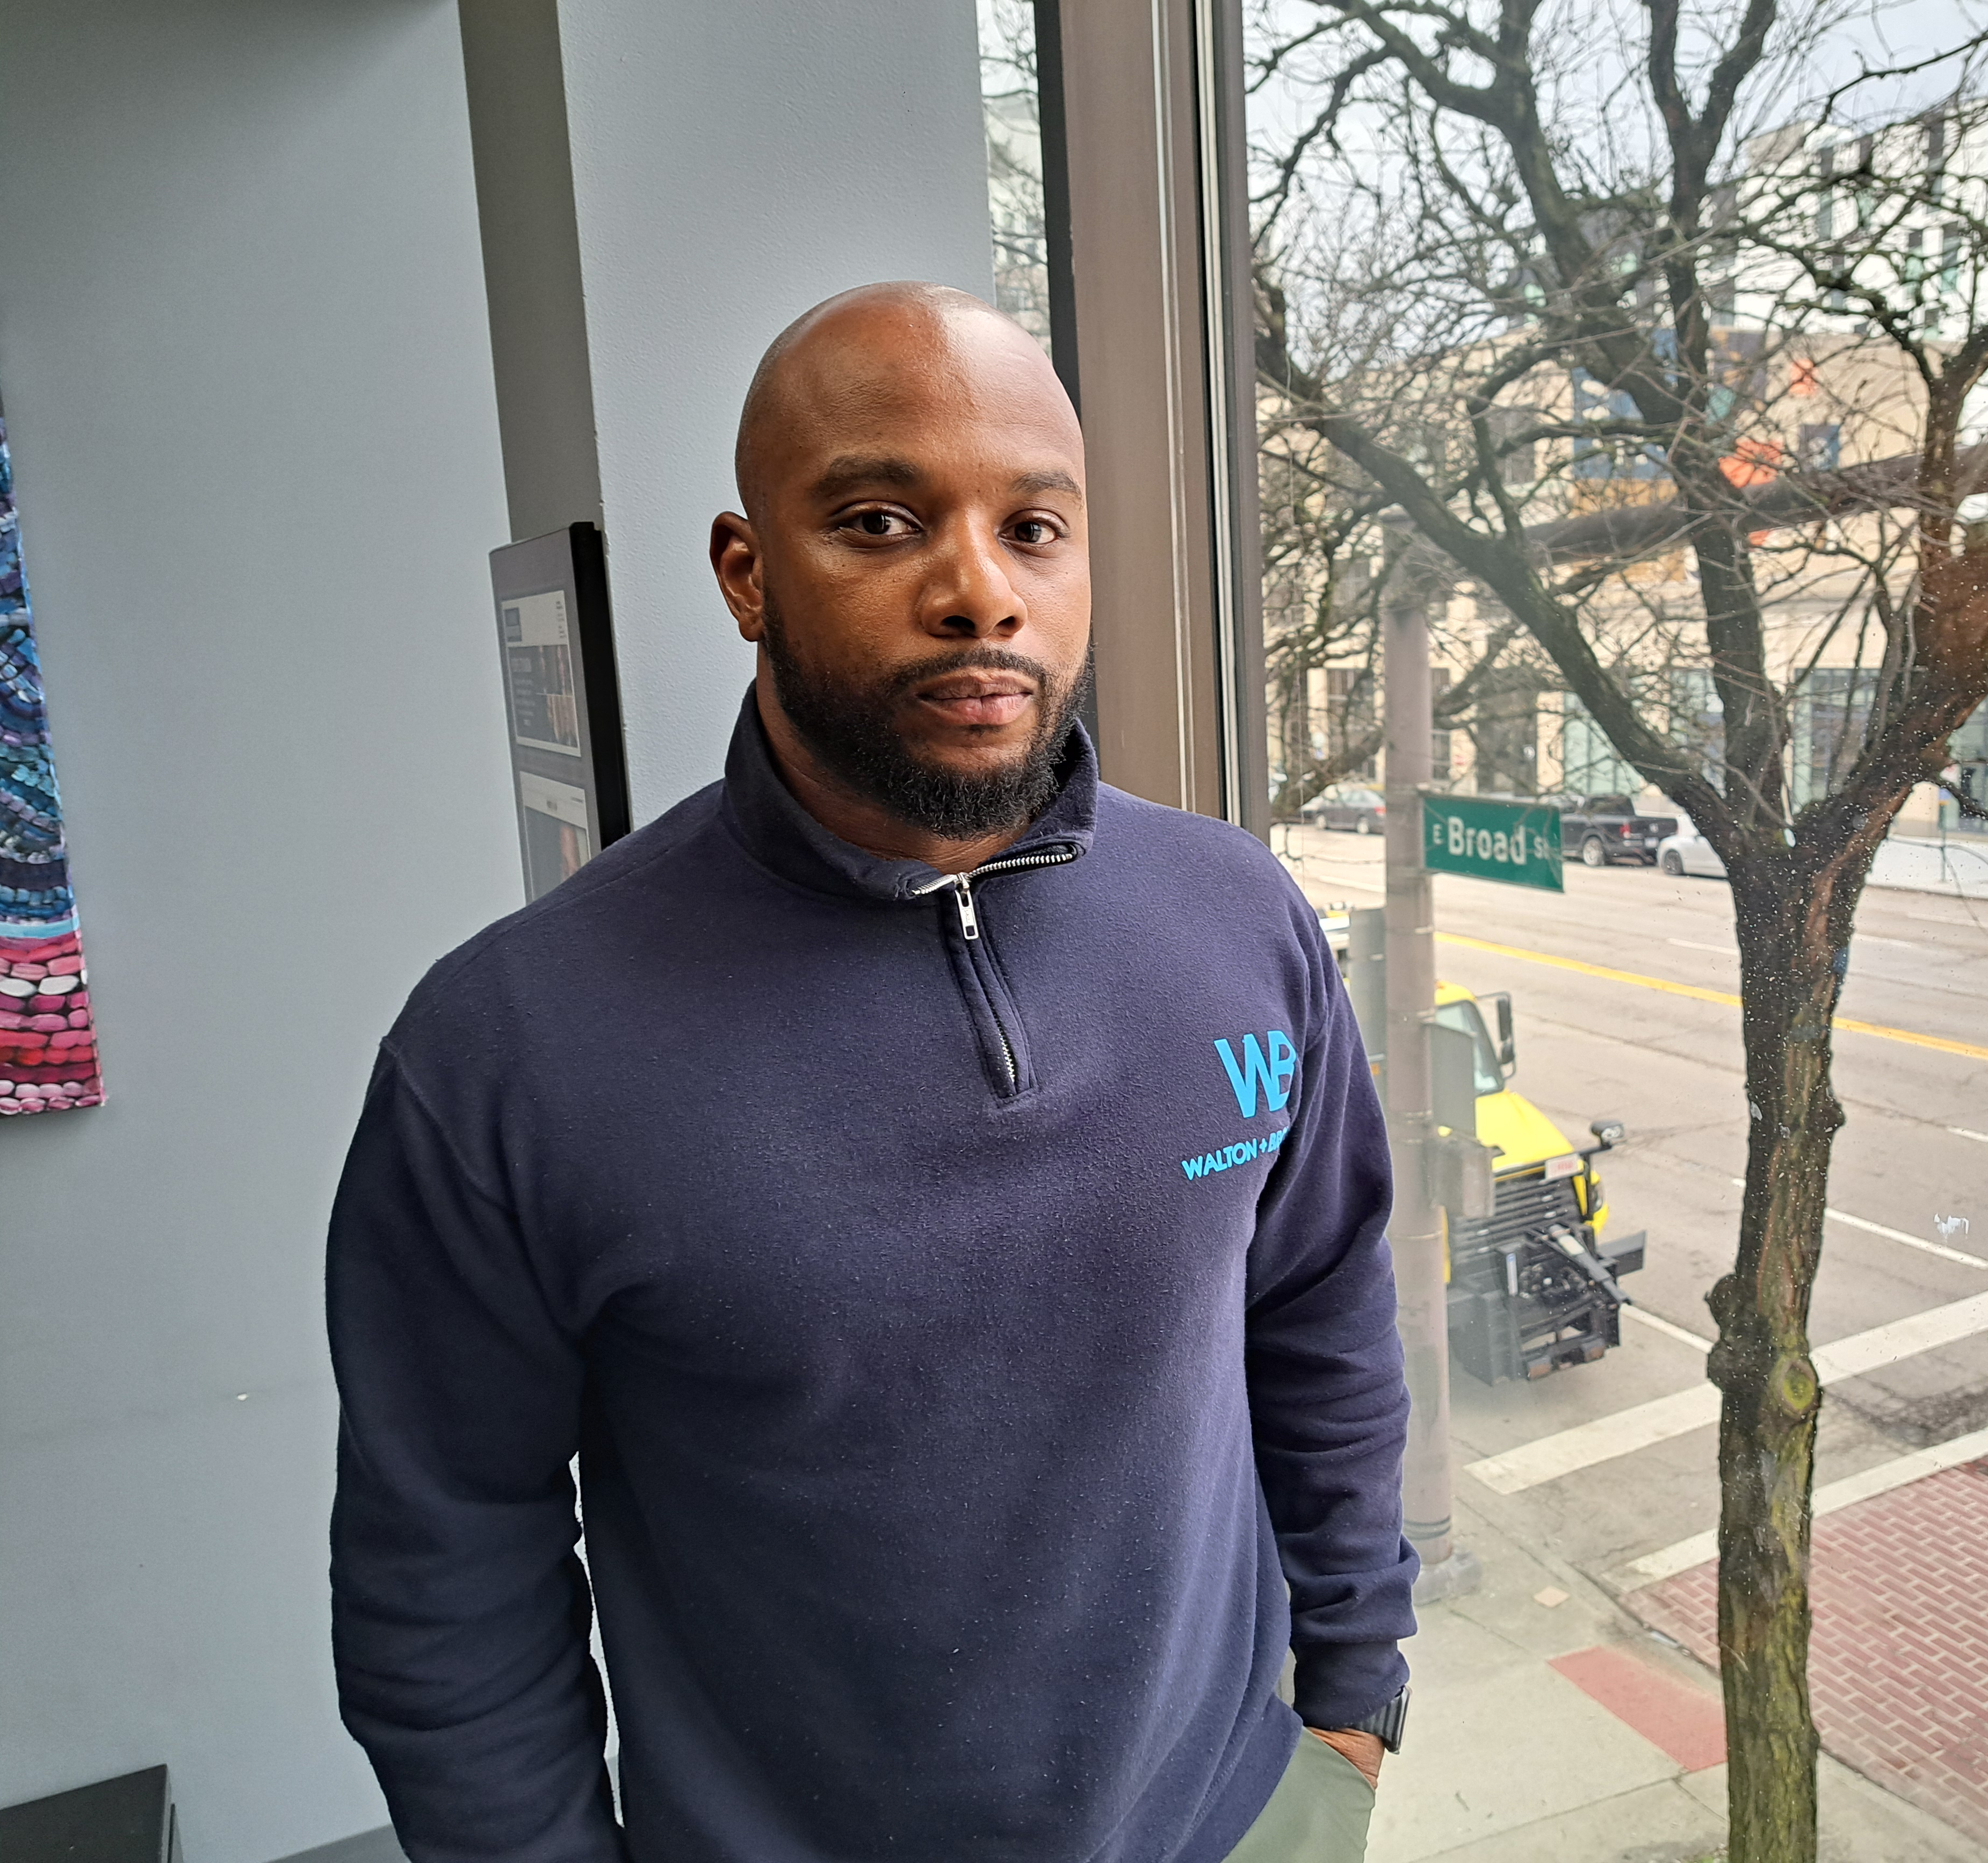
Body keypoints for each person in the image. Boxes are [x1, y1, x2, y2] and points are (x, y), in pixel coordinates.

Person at [326, 282, 1416, 1863]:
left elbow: (1323, 1309)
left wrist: (1352, 1715)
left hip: (1243, 1816)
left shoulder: (1240, 918)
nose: (980, 592)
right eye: (885, 521)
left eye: (1034, 528)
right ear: (747, 572)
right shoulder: (504, 1051)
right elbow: (449, 1568)